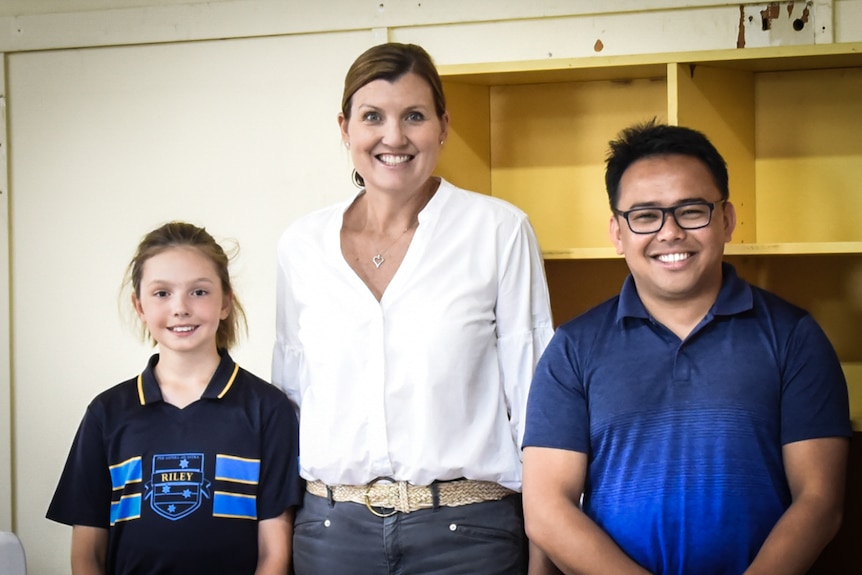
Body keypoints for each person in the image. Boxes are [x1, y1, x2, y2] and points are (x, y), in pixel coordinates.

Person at [272, 42, 555, 574]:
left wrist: (544, 554)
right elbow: (290, 402)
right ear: (345, 127)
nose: (394, 137)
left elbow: (536, 402)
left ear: (444, 125)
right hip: (329, 534)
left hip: (471, 534)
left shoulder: (498, 230)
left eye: (415, 116)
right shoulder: (300, 245)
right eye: (373, 116)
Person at [522, 120, 852, 575]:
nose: (670, 232)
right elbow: (547, 509)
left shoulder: (794, 336)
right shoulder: (573, 348)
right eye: (645, 216)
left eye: (692, 210)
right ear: (618, 233)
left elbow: (819, 502)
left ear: (727, 220)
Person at [47, 221, 302, 575]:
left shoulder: (268, 409)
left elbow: (274, 554)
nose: (180, 308)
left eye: (199, 292)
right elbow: (88, 554)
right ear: (140, 306)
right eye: (162, 293)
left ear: (226, 301)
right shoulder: (107, 413)